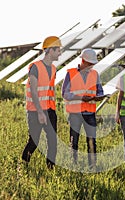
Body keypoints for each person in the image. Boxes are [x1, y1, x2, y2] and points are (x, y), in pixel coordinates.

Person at [21, 36, 62, 169]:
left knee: (53, 141)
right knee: (34, 141)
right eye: (58, 50)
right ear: (50, 50)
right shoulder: (35, 67)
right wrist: (40, 112)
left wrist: (51, 110)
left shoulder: (54, 69)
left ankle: (51, 169)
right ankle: (23, 164)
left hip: (49, 110)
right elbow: (33, 91)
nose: (60, 53)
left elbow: (50, 90)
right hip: (35, 111)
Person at [62, 48, 104, 170]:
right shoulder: (70, 73)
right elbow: (65, 93)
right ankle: (73, 165)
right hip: (75, 113)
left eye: (92, 64)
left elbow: (100, 90)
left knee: (92, 141)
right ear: (83, 60)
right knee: (73, 141)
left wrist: (98, 97)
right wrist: (80, 97)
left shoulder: (95, 74)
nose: (91, 66)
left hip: (90, 113)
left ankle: (92, 166)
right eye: (89, 64)